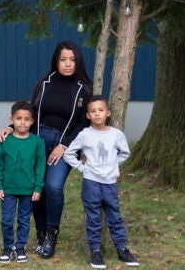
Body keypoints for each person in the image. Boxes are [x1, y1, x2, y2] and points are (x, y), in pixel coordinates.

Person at [0, 40, 93, 259]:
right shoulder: (43, 84)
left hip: (64, 143)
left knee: (53, 187)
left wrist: (64, 145)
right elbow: (30, 111)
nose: (68, 64)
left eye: (72, 59)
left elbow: (82, 124)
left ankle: (51, 233)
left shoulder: (83, 89)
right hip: (38, 141)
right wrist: (12, 127)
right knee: (36, 188)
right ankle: (40, 234)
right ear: (56, 61)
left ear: (78, 62)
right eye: (63, 59)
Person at [63, 95, 139, 269]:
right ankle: (95, 251)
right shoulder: (85, 135)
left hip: (110, 183)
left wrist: (112, 165)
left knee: (115, 216)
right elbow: (69, 153)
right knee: (94, 218)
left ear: (108, 113)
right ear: (88, 115)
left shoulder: (116, 135)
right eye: (93, 111)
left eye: (101, 110)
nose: (97, 114)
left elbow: (124, 153)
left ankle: (122, 249)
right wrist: (82, 168)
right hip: (91, 183)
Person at [0, 100, 46, 263]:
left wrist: (38, 187)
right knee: (7, 220)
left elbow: (40, 166)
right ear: (11, 119)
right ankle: (8, 247)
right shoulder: (5, 140)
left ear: (32, 121)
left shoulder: (38, 142)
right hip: (8, 189)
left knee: (24, 220)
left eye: (26, 119)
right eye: (18, 118)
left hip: (28, 189)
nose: (22, 122)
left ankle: (21, 247)